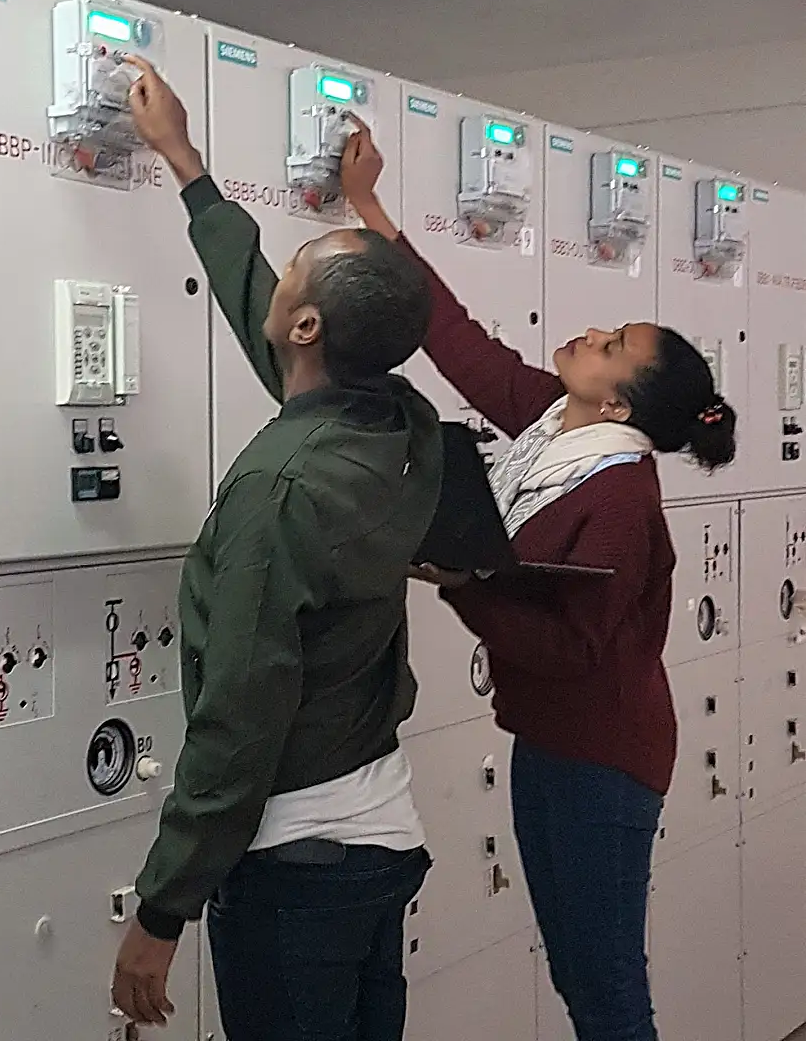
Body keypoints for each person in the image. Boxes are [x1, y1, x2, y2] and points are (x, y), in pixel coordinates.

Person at [338, 124, 737, 1041]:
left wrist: (461, 581)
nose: (591, 334)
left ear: (620, 403)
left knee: (604, 987)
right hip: (551, 743)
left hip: (605, 757)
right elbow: (458, 343)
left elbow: (572, 647)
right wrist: (369, 212)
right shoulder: (555, 433)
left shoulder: (621, 497)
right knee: (576, 970)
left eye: (612, 344)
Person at [108, 62, 442, 1041]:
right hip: (380, 839)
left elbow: (239, 717)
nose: (284, 268)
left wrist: (162, 910)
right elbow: (285, 338)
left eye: (299, 266)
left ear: (306, 326)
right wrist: (185, 167)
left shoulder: (276, 490)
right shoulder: (400, 421)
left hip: (298, 862)